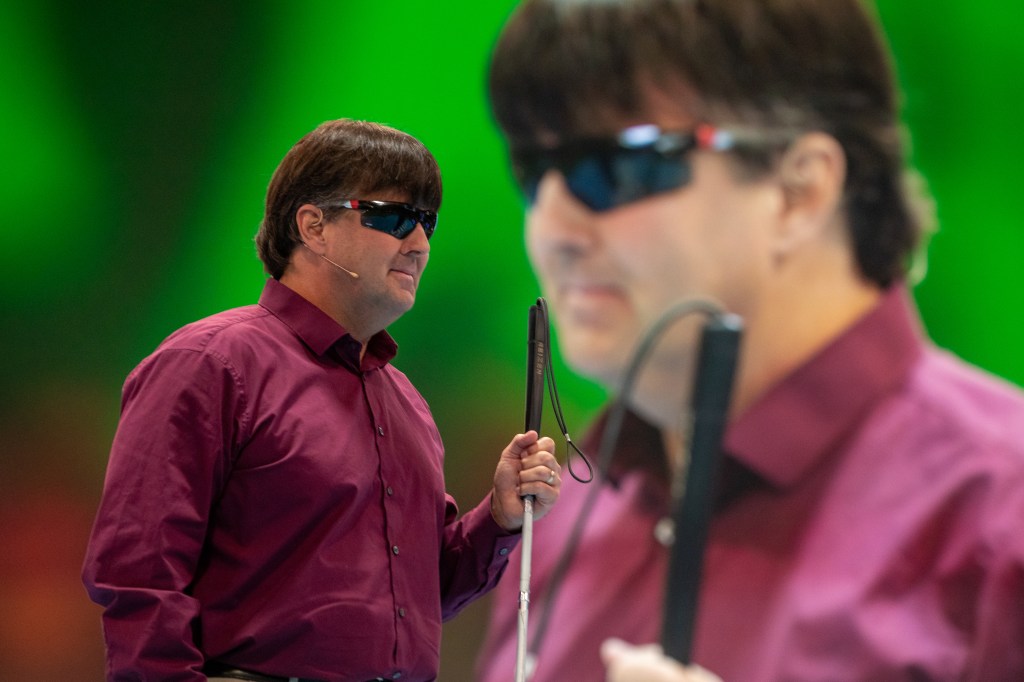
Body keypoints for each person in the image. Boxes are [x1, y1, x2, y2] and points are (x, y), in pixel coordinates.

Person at [474, 1, 1024, 681]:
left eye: (614, 166)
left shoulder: (1002, 519)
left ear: (799, 190)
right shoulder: (564, 516)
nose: (551, 230)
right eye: (533, 168)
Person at [82, 118, 562, 682]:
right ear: (313, 226)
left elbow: (418, 600)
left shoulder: (406, 403)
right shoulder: (209, 364)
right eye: (392, 216)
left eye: (427, 222)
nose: (419, 244)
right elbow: (140, 576)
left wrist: (500, 518)